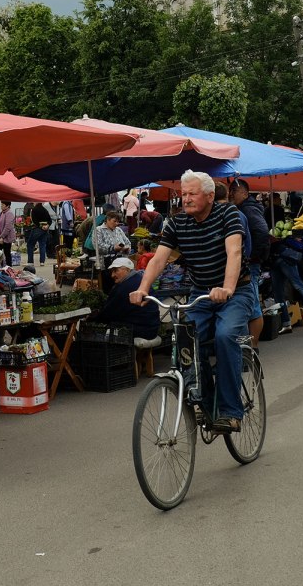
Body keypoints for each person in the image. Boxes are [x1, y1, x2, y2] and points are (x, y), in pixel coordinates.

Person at [131, 170, 256, 434]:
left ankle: (231, 412)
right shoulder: (177, 224)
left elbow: (234, 252)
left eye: (192, 194)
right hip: (200, 293)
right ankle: (207, 406)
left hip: (236, 291)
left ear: (210, 196)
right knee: (188, 339)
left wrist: (227, 288)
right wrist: (143, 288)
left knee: (225, 336)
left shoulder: (229, 215)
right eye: (183, 194)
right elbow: (158, 260)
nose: (185, 199)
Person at [226, 179, 270, 345]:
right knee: (249, 303)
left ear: (244, 192)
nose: (231, 195)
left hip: (250, 264)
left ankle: (252, 348)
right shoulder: (245, 208)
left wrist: (254, 256)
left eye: (234, 192)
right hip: (250, 262)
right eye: (230, 192)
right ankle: (250, 348)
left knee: (251, 304)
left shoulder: (248, 209)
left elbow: (262, 232)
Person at [96, 257, 160, 338]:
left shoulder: (125, 287)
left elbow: (108, 313)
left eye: (115, 270)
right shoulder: (139, 278)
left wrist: (93, 319)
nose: (112, 275)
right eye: (112, 271)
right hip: (152, 328)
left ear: (127, 270)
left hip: (141, 330)